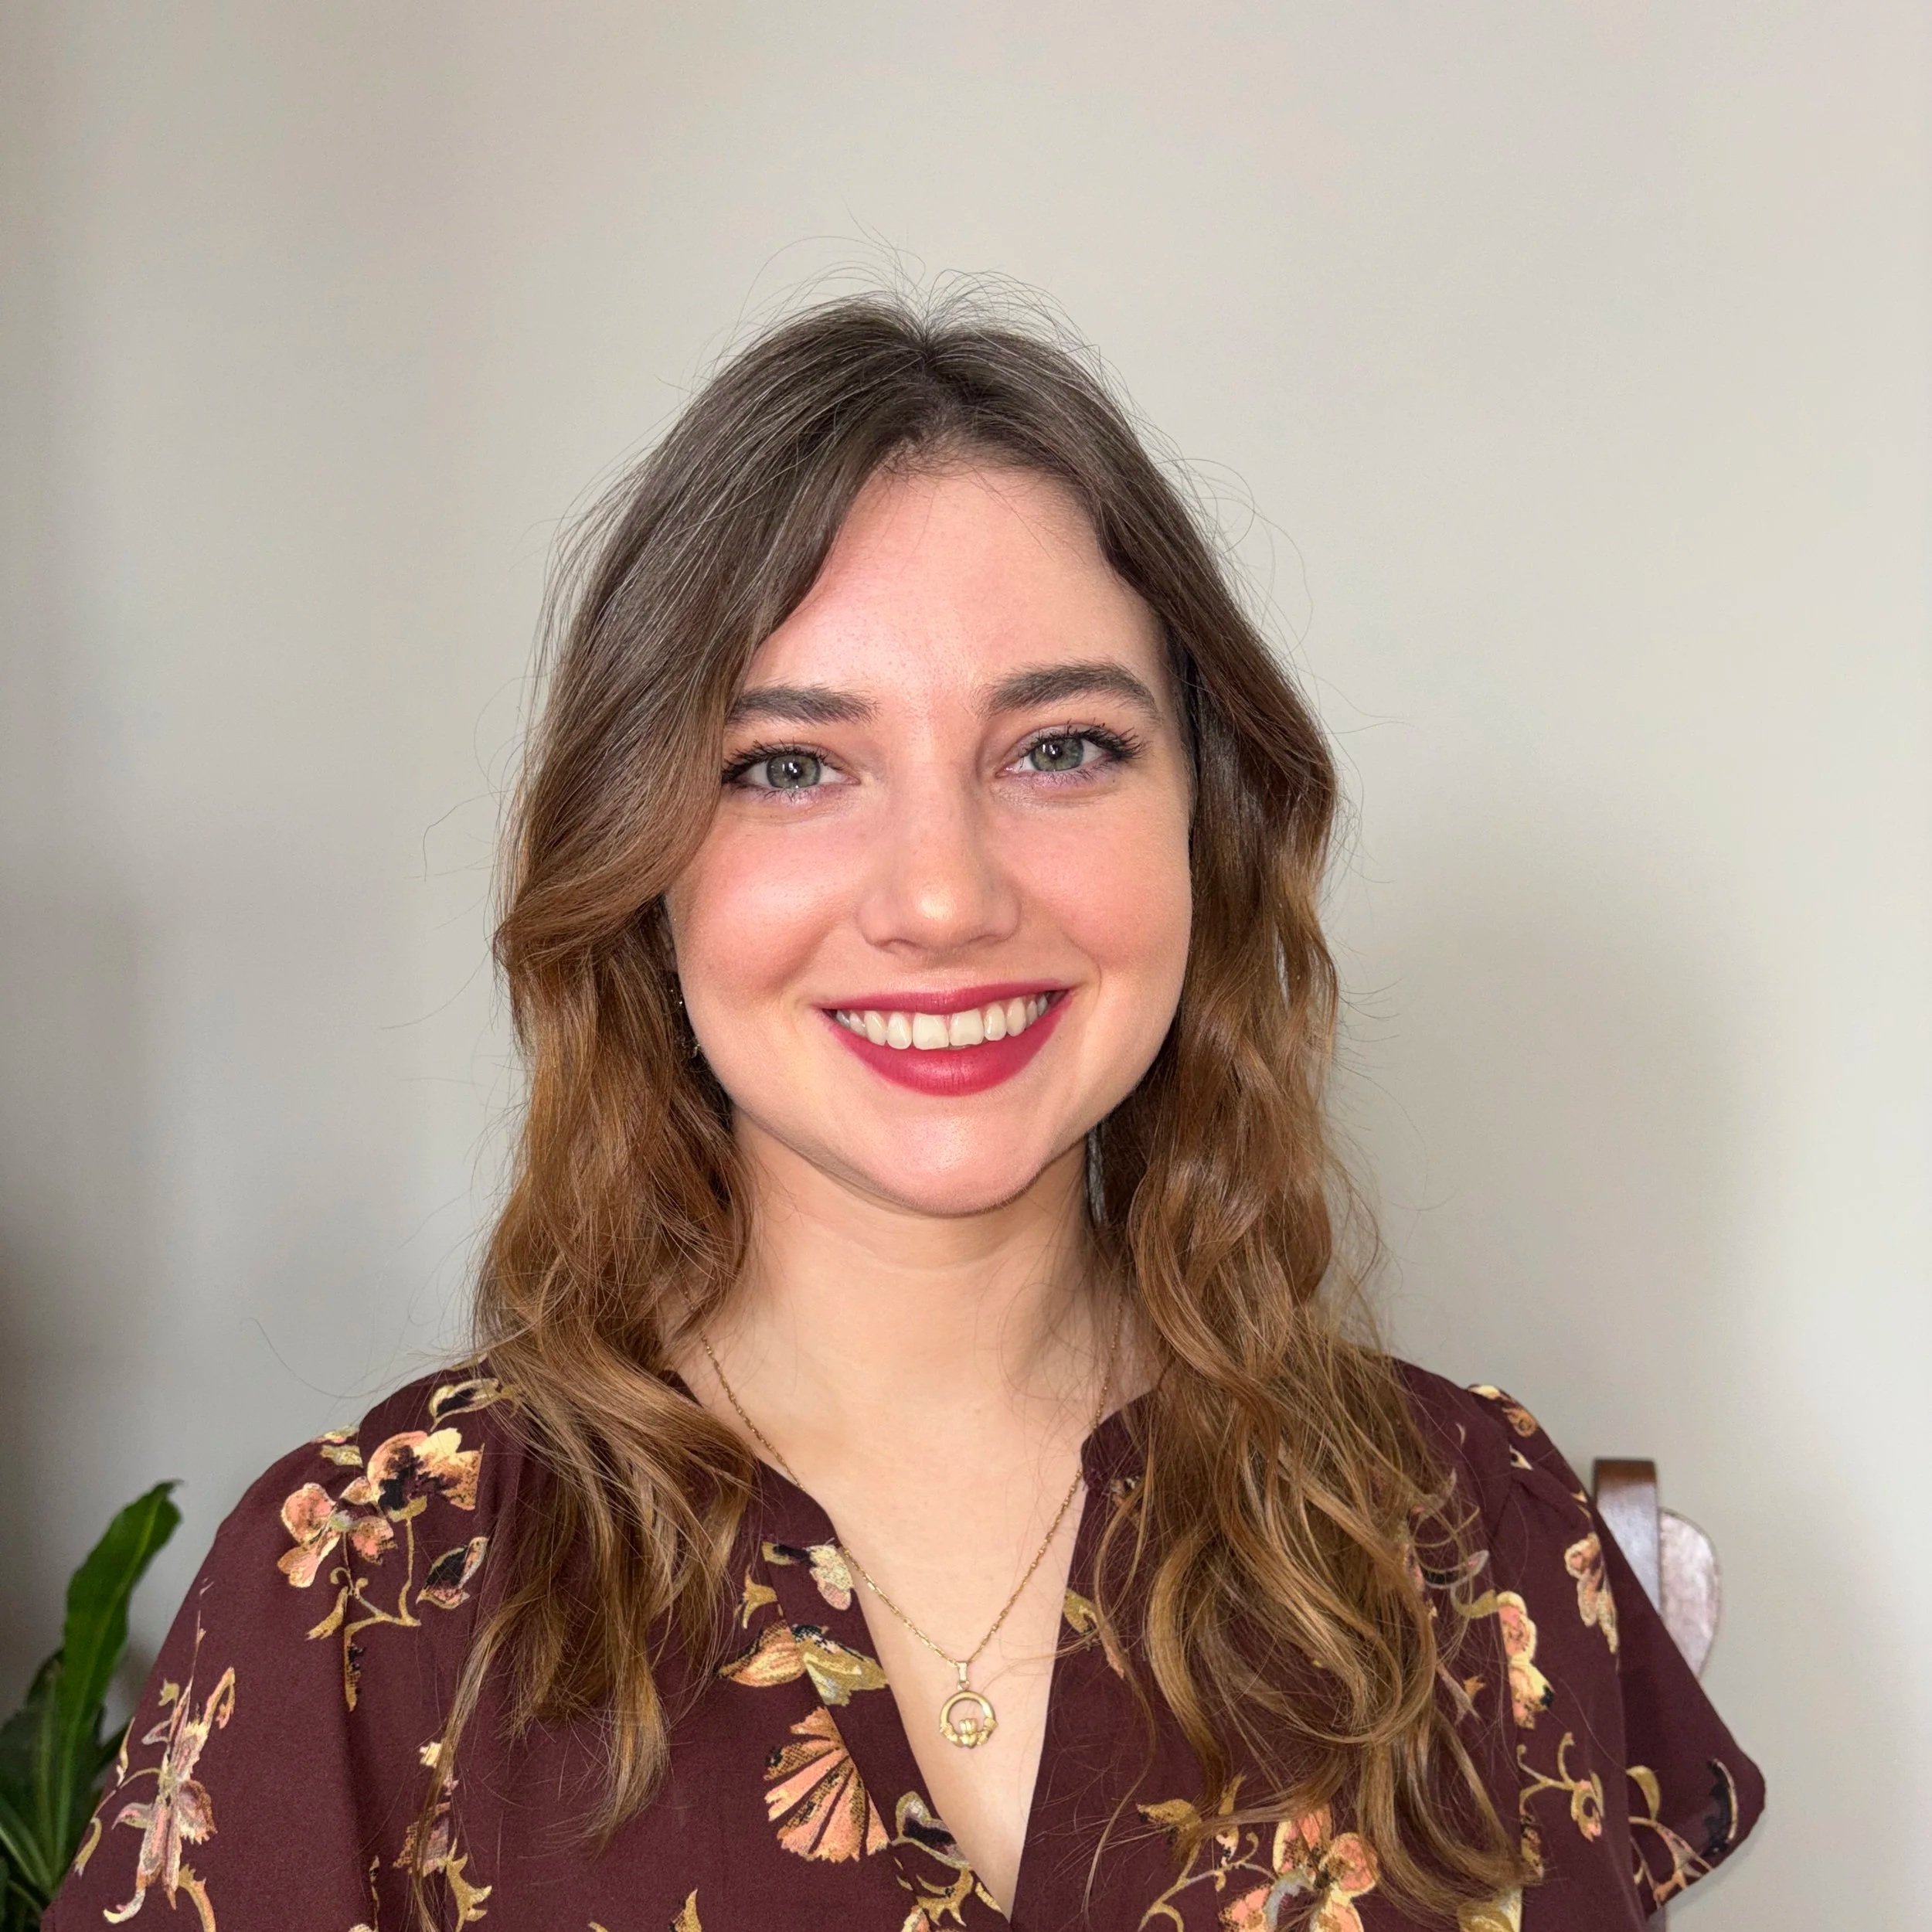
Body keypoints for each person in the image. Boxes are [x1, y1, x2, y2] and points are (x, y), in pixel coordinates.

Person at [47, 289, 1764, 1932]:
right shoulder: (357, 1598)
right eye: (789, 764)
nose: (940, 895)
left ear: (1205, 822)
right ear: (641, 862)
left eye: (1060, 747)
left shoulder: (1479, 1544)